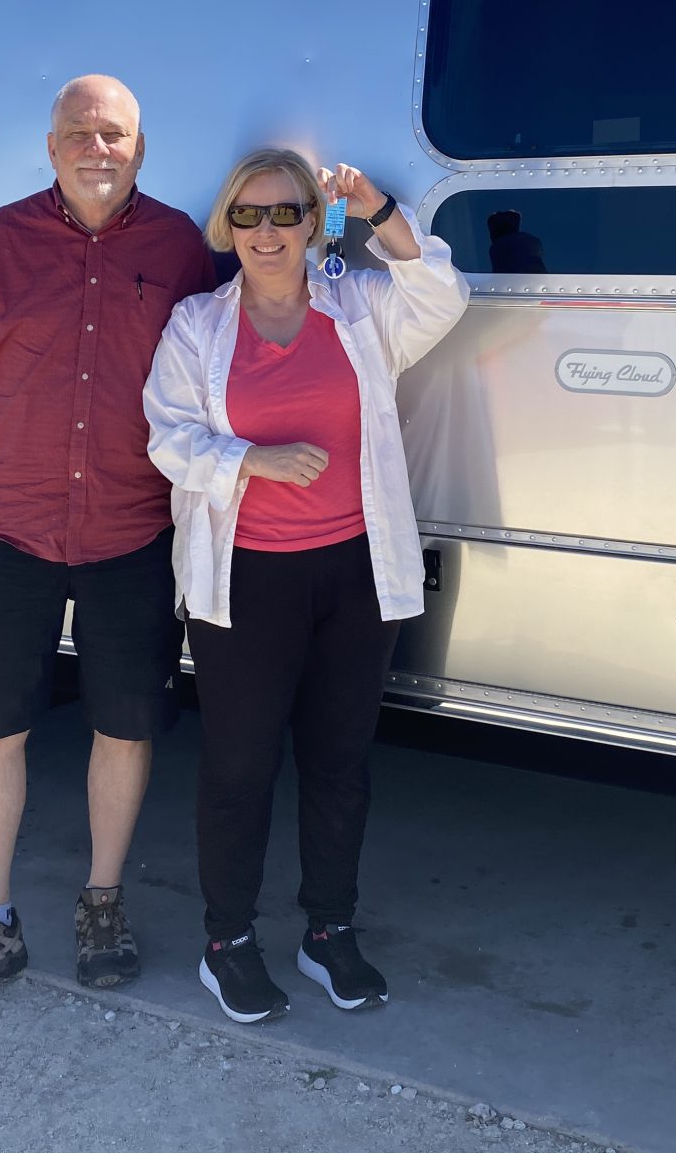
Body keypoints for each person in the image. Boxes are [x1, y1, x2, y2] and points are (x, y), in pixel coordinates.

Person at [0, 74, 217, 1000]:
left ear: (141, 149)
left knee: (125, 724)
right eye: (78, 131)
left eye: (114, 133)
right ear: (50, 147)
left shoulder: (181, 251)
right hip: (10, 529)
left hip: (132, 530)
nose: (96, 147)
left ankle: (102, 899)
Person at [144, 148, 468, 1023]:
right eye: (247, 215)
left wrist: (377, 209)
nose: (266, 232)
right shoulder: (197, 326)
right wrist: (253, 460)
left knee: (338, 763)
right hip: (246, 579)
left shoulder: (357, 308)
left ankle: (329, 931)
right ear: (228, 227)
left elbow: (442, 295)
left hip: (355, 574)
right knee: (240, 766)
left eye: (286, 213)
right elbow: (168, 437)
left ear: (311, 224)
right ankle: (227, 942)